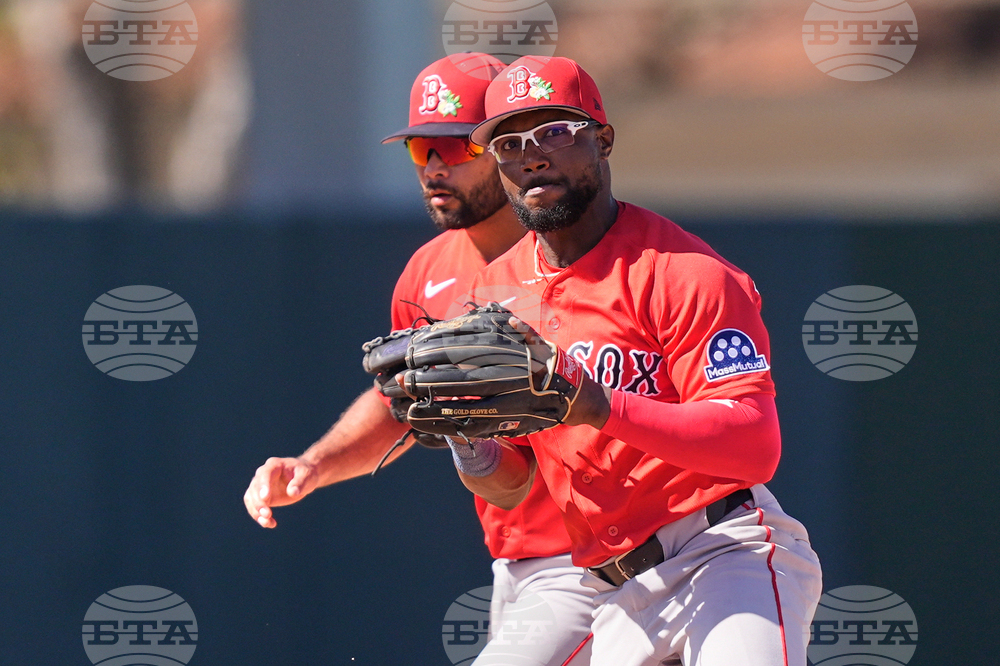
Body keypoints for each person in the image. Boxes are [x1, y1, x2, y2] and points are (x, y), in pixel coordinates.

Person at [436, 55, 823, 666]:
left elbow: (754, 444)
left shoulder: (685, 272)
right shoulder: (489, 299)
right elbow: (511, 485)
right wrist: (468, 442)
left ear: (603, 139)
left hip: (723, 551)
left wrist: (595, 403)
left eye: (554, 132)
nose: (532, 155)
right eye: (509, 143)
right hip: (612, 589)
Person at [242, 53, 596, 665]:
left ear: (506, 147)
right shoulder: (428, 272)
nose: (433, 168)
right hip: (515, 562)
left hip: (598, 557)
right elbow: (403, 399)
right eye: (418, 149)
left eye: (454, 148)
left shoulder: (585, 254)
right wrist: (315, 464)